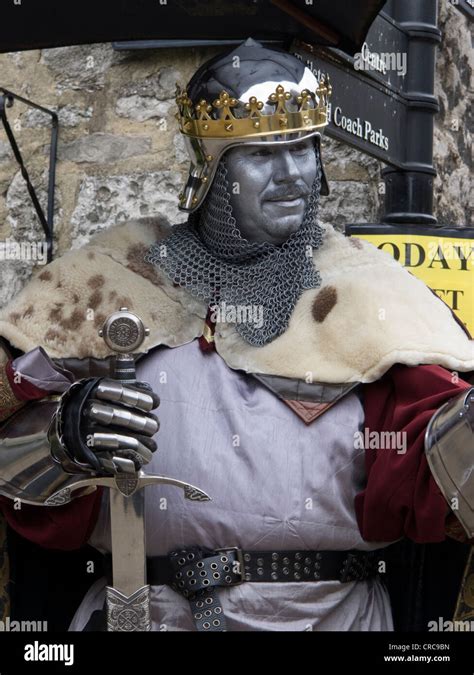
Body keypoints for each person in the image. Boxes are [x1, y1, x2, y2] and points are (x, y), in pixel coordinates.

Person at [0, 39, 472, 632]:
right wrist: (65, 435)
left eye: (303, 148)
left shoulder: (368, 295)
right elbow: (11, 458)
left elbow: (437, 479)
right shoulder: (107, 280)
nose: (292, 174)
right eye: (261, 154)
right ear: (210, 168)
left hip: (328, 620)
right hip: (145, 616)